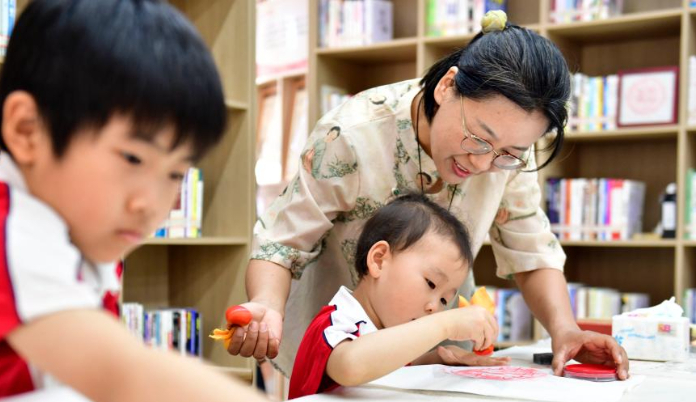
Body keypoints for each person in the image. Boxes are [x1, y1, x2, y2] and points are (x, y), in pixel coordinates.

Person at [0, 1, 496, 402]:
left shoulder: (76, 253)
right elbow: (126, 378)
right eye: (133, 158)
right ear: (27, 131)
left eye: (175, 173)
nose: (152, 202)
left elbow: (51, 395)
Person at [230, 10, 629, 382]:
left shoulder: (508, 160)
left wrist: (565, 330)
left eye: (509, 152)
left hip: (435, 351)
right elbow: (283, 243)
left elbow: (531, 249)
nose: (482, 162)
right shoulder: (353, 135)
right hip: (343, 345)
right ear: (447, 86)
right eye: (478, 138)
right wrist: (266, 304)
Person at [288, 193, 507, 400]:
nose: (435, 308)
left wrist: (438, 358)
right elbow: (351, 366)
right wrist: (445, 325)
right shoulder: (334, 324)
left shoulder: (384, 332)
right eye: (431, 283)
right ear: (379, 260)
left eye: (444, 300)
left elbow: (388, 365)